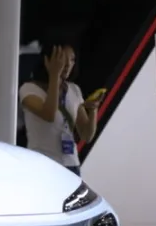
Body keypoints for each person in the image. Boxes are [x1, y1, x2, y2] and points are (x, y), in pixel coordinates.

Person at [19, 42, 99, 175]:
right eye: (62, 59)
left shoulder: (73, 89)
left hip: (71, 164)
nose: (68, 64)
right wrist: (54, 75)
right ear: (48, 60)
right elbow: (49, 114)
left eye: (72, 60)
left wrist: (93, 110)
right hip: (42, 163)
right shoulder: (29, 88)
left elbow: (86, 135)